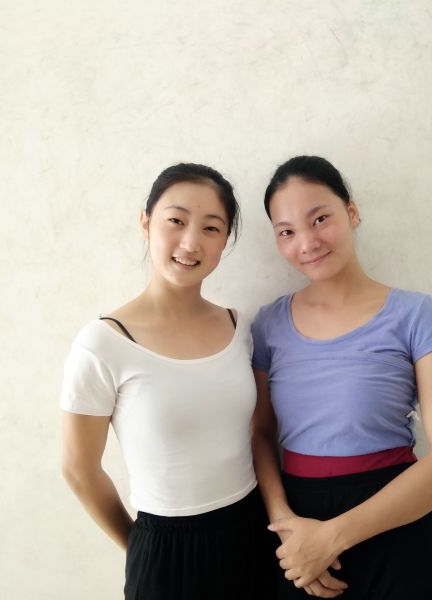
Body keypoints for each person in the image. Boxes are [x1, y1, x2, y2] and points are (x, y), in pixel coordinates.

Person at [251, 156, 432, 599]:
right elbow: (259, 435)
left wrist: (331, 538)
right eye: (286, 231)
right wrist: (285, 525)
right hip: (298, 537)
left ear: (351, 212)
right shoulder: (268, 325)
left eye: (320, 219)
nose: (307, 242)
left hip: (398, 525)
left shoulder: (417, 314)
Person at [60, 163, 275, 600]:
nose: (190, 243)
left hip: (253, 530)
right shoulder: (103, 343)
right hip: (165, 549)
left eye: (211, 228)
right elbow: (79, 470)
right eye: (176, 220)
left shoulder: (240, 328)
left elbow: (262, 431)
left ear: (225, 241)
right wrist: (141, 548)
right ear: (146, 223)